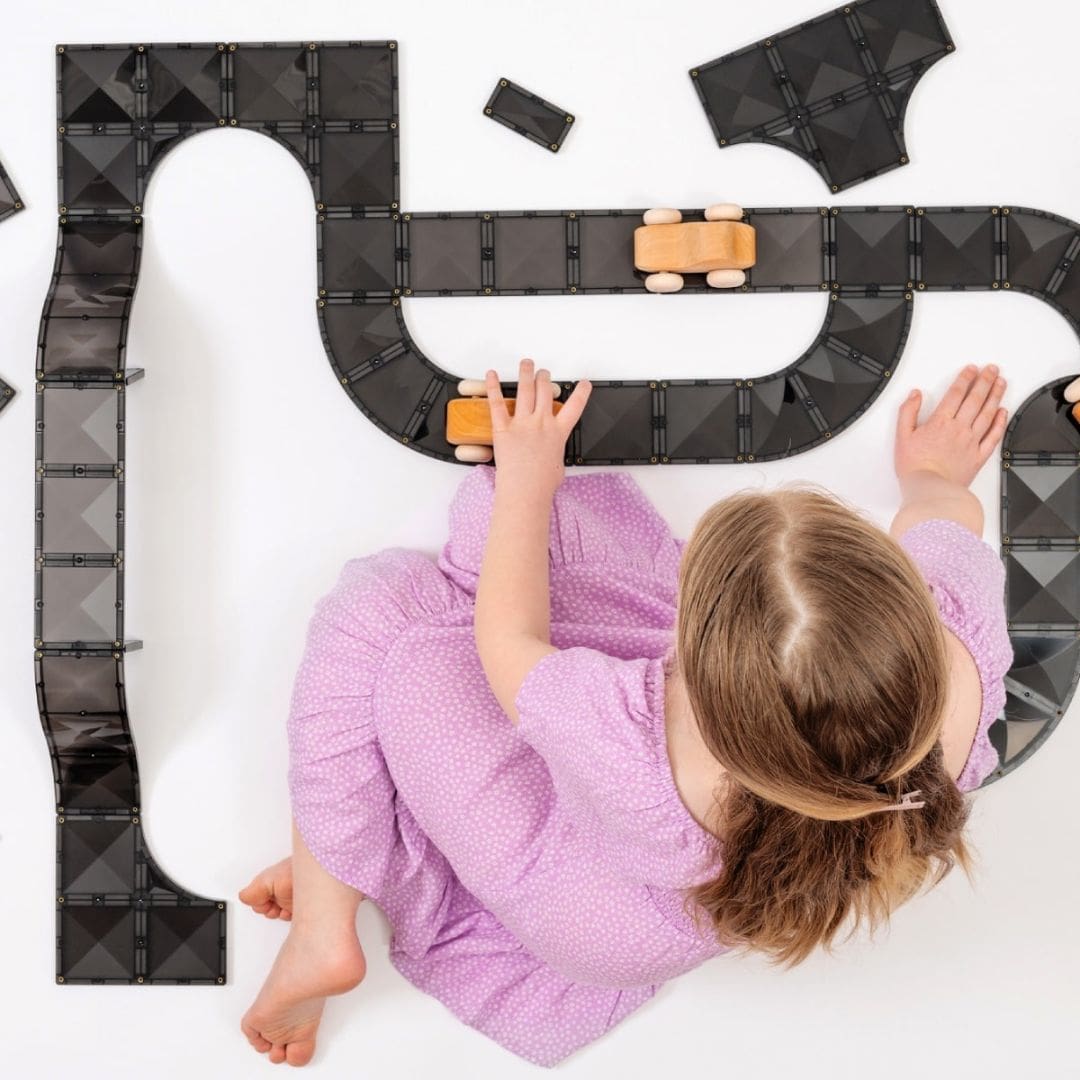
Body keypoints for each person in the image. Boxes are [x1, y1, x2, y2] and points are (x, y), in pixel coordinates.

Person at [238, 360, 1013, 1068]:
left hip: (574, 914)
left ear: (702, 680)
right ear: (908, 606)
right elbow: (947, 516)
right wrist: (934, 478)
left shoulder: (631, 737)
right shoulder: (958, 660)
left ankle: (324, 925)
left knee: (383, 614)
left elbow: (510, 641)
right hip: (662, 927)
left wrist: (528, 484)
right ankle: (368, 839)